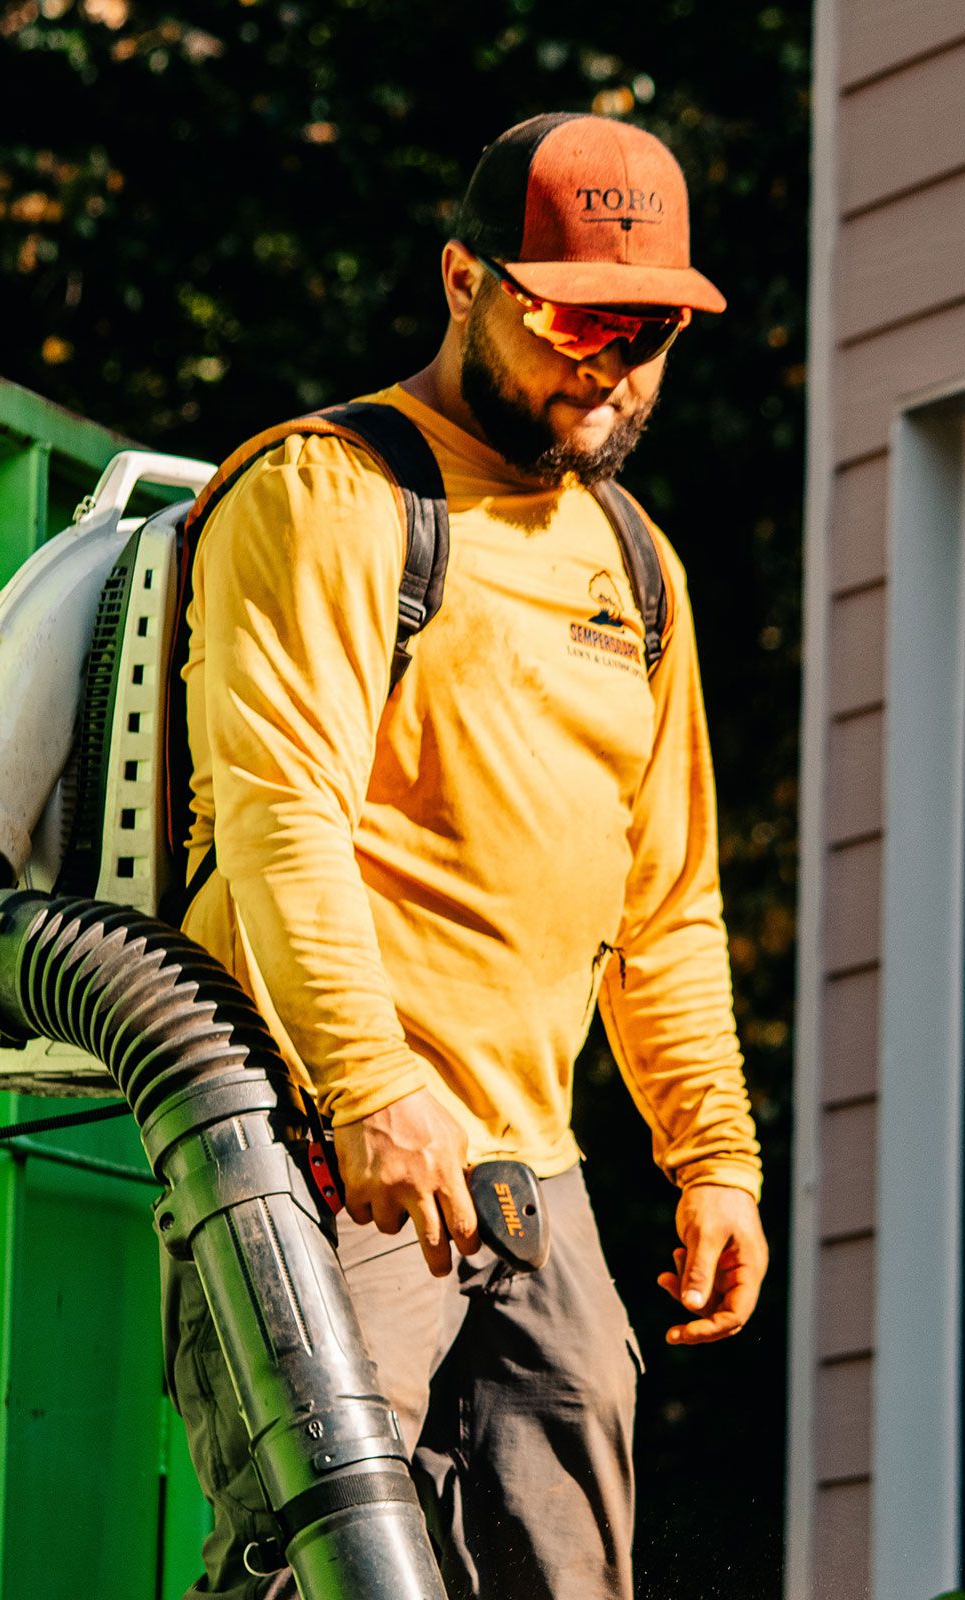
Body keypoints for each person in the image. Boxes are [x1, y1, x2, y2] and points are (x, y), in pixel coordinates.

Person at [164, 110, 768, 1600]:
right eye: (574, 319)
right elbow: (283, 816)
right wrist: (370, 1088)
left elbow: (667, 902)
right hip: (328, 1150)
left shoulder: (636, 562)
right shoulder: (330, 491)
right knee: (323, 1570)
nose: (610, 366)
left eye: (648, 332)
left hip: (531, 1174)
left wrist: (714, 1159)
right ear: (462, 281)